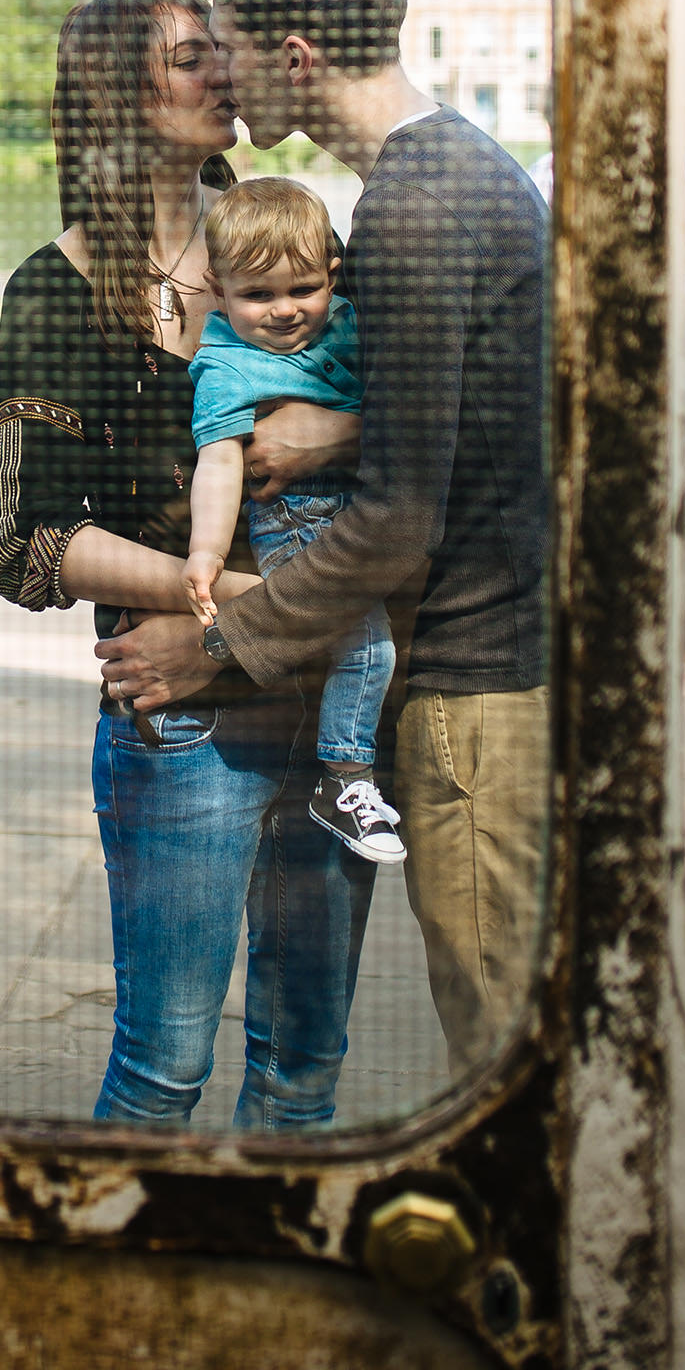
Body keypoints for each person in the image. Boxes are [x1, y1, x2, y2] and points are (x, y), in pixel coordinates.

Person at [97, 0, 549, 1080]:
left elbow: (401, 519)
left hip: (469, 699)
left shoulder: (408, 207)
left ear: (295, 56)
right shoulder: (459, 170)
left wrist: (216, 643)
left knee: (500, 1064)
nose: (227, 83)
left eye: (233, 49)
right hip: (496, 676)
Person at [0, 0, 377, 1129]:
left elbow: (416, 426)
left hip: (328, 710)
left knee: (303, 1067)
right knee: (161, 1072)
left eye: (224, 51)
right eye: (190, 57)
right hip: (180, 724)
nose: (227, 73)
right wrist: (227, 601)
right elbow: (28, 544)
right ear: (116, 96)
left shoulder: (300, 243)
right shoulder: (51, 291)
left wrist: (344, 431)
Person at [182, 175, 404, 866]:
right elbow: (218, 465)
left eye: (301, 289)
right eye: (257, 295)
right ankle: (344, 779)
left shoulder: (349, 321)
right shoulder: (227, 366)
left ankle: (258, 641)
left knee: (360, 647)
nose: (283, 311)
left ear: (332, 276)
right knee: (368, 650)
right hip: (294, 522)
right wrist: (206, 553)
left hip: (357, 513)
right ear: (219, 292)